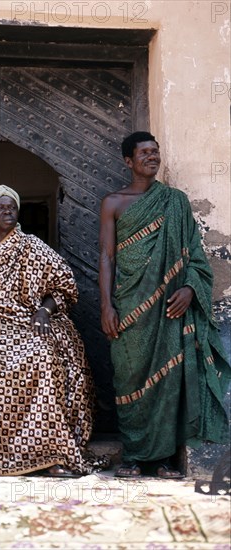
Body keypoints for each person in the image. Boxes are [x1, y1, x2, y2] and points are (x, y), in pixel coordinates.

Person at [0, 185, 108, 477]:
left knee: (43, 355)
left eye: (12, 207)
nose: (7, 212)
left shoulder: (33, 247)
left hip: (28, 320)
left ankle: (50, 454)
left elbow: (64, 286)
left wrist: (44, 310)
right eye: (1, 208)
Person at [98, 131, 230, 478]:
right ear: (129, 161)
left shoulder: (176, 201)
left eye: (156, 152)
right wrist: (106, 307)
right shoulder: (113, 202)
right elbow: (107, 258)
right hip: (128, 307)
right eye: (144, 153)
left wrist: (189, 288)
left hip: (170, 308)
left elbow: (196, 256)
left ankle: (160, 459)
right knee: (128, 378)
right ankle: (133, 456)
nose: (152, 157)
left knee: (168, 379)